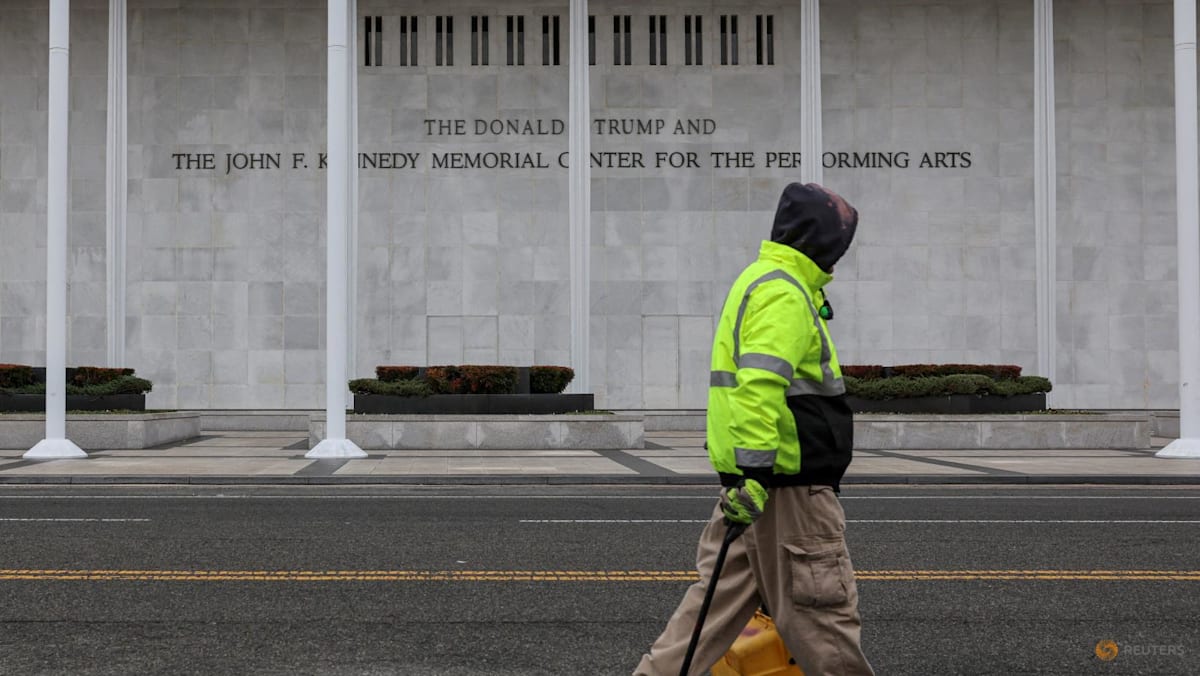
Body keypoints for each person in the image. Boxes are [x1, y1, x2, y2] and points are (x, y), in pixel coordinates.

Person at [633, 183, 874, 676]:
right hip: (787, 491)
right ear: (822, 239)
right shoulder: (784, 293)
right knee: (823, 621)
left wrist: (748, 478)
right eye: (840, 239)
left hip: (759, 489)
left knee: (702, 620)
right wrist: (757, 475)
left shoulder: (761, 280)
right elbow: (759, 387)